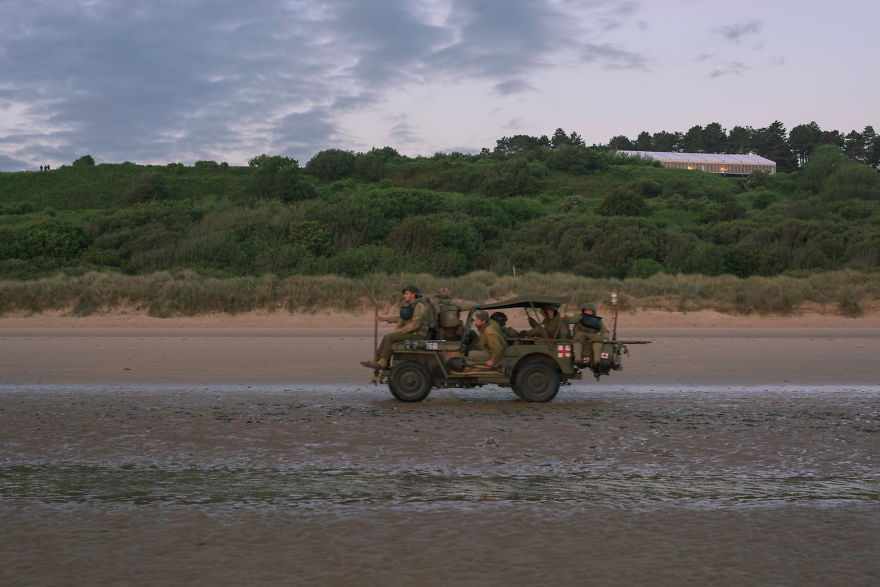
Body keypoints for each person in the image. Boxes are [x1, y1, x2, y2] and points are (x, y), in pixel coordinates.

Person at [361, 285, 429, 370]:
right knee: (387, 337)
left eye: (406, 294)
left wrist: (402, 330)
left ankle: (383, 362)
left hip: (418, 334)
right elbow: (402, 318)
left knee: (390, 337)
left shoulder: (419, 306)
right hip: (412, 332)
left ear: (413, 295)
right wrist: (385, 319)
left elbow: (415, 324)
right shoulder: (412, 305)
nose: (404, 296)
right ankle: (374, 360)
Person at [568, 302, 609, 367]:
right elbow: (570, 319)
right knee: (577, 338)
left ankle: (597, 361)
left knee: (598, 339)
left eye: (589, 311)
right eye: (586, 310)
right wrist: (564, 316)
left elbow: (604, 330)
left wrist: (605, 337)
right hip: (580, 334)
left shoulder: (597, 321)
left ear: (593, 312)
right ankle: (577, 359)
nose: (587, 312)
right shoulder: (579, 317)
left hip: (592, 335)